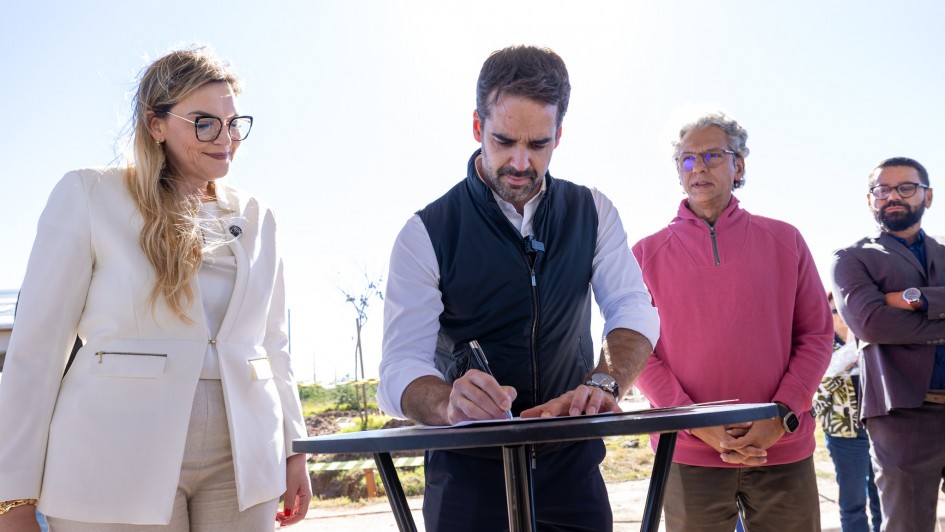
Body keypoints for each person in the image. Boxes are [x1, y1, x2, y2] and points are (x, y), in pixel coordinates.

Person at [0, 45, 311, 531]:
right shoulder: (89, 195)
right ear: (156, 124)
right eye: (204, 122)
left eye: (233, 122)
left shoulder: (256, 216)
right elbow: (36, 351)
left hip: (244, 460)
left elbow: (273, 345)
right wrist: (12, 498)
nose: (224, 137)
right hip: (111, 457)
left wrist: (295, 451)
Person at [376, 45, 660, 531]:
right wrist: (447, 403)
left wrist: (604, 381)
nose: (521, 162)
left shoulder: (593, 212)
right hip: (467, 478)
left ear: (559, 135)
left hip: (572, 470)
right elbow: (400, 366)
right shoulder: (426, 232)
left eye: (539, 144)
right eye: (504, 141)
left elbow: (633, 308)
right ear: (476, 127)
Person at [631, 112, 833, 531]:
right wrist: (694, 422)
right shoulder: (644, 253)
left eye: (712, 155)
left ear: (739, 165)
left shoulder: (786, 239)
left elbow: (815, 335)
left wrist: (780, 415)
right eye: (687, 159)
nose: (698, 167)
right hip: (687, 448)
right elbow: (638, 352)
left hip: (783, 443)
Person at [832, 156, 945, 532]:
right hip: (902, 415)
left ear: (927, 197)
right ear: (870, 200)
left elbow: (890, 316)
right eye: (883, 189)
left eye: (906, 188)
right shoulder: (852, 259)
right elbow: (872, 323)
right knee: (906, 525)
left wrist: (911, 298)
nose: (893, 196)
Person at [813, 291, 882, 532]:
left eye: (845, 308)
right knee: (852, 501)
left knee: (882, 497)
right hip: (844, 434)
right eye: (834, 311)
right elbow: (819, 390)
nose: (842, 316)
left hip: (879, 429)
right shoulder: (819, 344)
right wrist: (851, 351)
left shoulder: (871, 338)